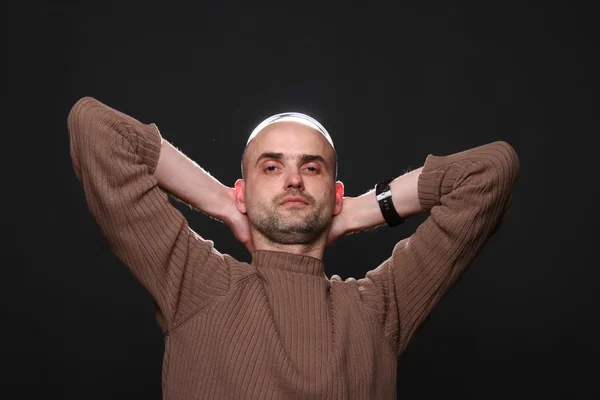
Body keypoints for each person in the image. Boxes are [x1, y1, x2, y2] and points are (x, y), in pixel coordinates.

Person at [67, 96, 519, 399]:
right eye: (271, 167)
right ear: (245, 191)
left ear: (334, 193)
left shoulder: (380, 310)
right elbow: (95, 127)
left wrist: (362, 210)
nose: (293, 179)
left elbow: (491, 172)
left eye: (311, 167)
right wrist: (223, 201)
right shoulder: (195, 285)